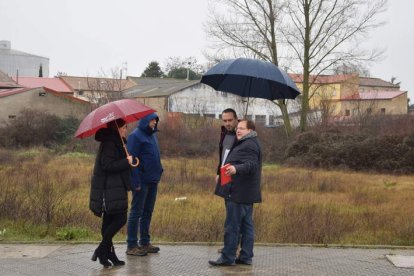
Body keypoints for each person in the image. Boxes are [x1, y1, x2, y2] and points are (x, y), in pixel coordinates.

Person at [209, 120, 262, 266]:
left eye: (242, 129)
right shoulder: (248, 142)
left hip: (239, 193)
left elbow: (251, 165)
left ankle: (227, 257)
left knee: (232, 226)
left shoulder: (249, 144)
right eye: (238, 128)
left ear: (250, 131)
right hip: (245, 193)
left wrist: (236, 169)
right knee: (246, 225)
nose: (238, 131)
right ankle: (245, 256)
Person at [89, 118, 134, 268]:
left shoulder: (116, 142)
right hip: (109, 190)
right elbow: (107, 165)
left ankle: (108, 254)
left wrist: (128, 161)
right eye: (124, 127)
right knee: (120, 218)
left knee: (108, 221)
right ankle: (102, 250)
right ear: (117, 128)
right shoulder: (110, 143)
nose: (126, 130)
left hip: (113, 188)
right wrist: (125, 162)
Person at [126, 112, 163, 256]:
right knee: (136, 212)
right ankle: (132, 245)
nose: (154, 122)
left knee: (148, 212)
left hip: (153, 179)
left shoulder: (152, 135)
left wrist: (160, 170)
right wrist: (135, 181)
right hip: (141, 181)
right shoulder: (135, 136)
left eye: (155, 120)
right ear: (145, 120)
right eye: (152, 120)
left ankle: (145, 242)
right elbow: (132, 162)